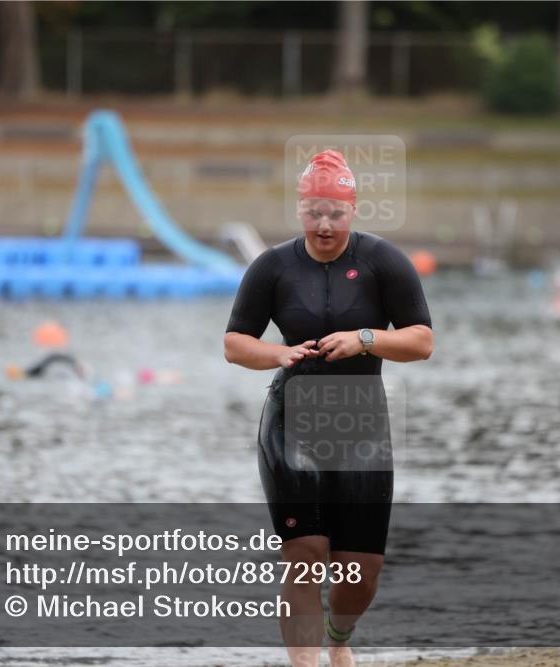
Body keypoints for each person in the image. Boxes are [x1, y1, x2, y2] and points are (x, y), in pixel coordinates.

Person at [224, 150, 433, 667]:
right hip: (292, 418)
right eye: (314, 212)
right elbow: (234, 343)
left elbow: (422, 341)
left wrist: (365, 339)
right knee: (304, 553)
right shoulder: (272, 267)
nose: (324, 224)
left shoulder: (383, 262)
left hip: (360, 421)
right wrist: (279, 353)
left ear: (353, 209)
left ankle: (339, 639)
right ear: (300, 209)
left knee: (360, 571)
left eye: (335, 213)